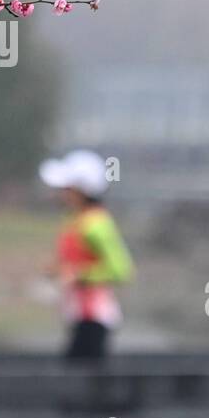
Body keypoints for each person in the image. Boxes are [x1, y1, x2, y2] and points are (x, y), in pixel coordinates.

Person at [39, 150, 134, 360]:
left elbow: (121, 270)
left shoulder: (97, 224)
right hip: (77, 313)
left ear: (80, 190)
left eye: (67, 188)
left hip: (94, 317)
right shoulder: (77, 221)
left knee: (81, 374)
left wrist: (80, 275)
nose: (62, 193)